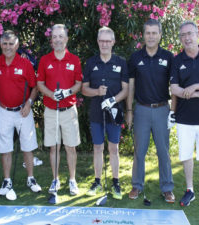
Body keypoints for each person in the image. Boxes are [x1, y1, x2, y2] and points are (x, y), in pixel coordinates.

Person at [126, 19, 175, 203]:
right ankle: (137, 186)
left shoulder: (169, 57)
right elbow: (130, 86)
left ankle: (167, 188)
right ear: (143, 35)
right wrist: (129, 110)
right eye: (148, 33)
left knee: (163, 151)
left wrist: (173, 111)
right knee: (140, 151)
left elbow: (175, 85)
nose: (151, 36)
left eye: (155, 33)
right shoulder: (136, 57)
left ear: (160, 35)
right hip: (142, 111)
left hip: (162, 110)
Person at [0, 30, 41, 200]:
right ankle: (7, 181)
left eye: (11, 44)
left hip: (23, 111)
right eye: (5, 44)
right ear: (1, 45)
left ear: (17, 45)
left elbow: (35, 87)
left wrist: (29, 103)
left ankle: (30, 178)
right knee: (5, 148)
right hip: (4, 111)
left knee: (28, 146)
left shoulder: (25, 64)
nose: (7, 47)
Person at [82, 27, 128, 200]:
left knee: (114, 148)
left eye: (108, 41)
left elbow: (126, 89)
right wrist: (97, 92)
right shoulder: (91, 62)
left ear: (113, 42)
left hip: (114, 112)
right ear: (98, 42)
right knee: (98, 147)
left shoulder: (121, 62)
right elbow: (84, 89)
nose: (105, 44)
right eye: (102, 40)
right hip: (96, 112)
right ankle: (97, 181)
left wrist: (113, 99)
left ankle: (116, 182)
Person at [37, 24, 82, 196]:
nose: (57, 40)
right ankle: (55, 179)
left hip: (69, 110)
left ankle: (72, 180)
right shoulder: (45, 60)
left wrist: (67, 92)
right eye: (54, 37)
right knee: (54, 147)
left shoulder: (74, 60)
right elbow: (40, 83)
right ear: (51, 40)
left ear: (66, 39)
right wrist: (51, 94)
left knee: (71, 147)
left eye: (60, 36)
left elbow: (78, 83)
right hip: (50, 110)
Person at [170, 21, 199, 206]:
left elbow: (184, 90)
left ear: (196, 33)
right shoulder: (177, 60)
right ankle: (190, 190)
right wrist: (186, 92)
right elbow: (174, 88)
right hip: (184, 118)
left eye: (190, 33)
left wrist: (195, 87)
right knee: (186, 155)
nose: (187, 38)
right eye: (183, 35)